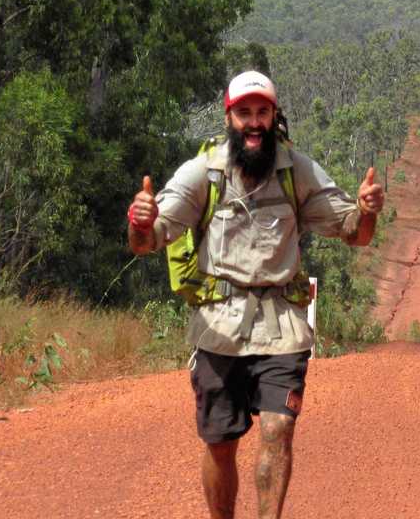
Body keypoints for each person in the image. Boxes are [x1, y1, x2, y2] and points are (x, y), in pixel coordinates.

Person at [126, 70, 384, 519]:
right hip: (218, 327)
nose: (254, 122)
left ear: (274, 115)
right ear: (229, 117)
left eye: (262, 112)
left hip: (281, 326)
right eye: (244, 113)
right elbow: (148, 243)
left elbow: (354, 234)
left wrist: (366, 212)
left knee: (278, 429)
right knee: (220, 443)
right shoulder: (201, 173)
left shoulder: (296, 171)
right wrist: (141, 222)